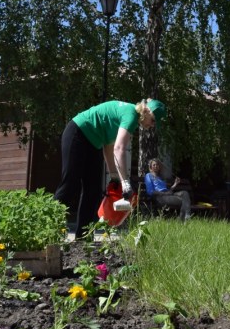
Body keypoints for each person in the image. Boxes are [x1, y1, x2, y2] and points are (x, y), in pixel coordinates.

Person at [55, 98, 167, 236]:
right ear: (147, 111)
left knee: (93, 191)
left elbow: (109, 147)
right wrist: (125, 183)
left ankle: (82, 239)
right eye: (153, 121)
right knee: (70, 185)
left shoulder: (130, 117)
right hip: (77, 133)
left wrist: (114, 177)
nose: (152, 126)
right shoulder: (131, 115)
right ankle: (45, 228)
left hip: (94, 143)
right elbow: (119, 149)